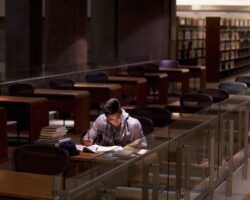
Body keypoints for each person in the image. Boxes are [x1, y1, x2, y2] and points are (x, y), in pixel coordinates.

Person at [82, 98, 147, 148]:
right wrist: (86, 141)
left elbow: (144, 144)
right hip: (104, 157)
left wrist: (138, 145)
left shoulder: (133, 124)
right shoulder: (101, 120)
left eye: (118, 118)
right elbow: (86, 138)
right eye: (111, 119)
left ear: (121, 112)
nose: (116, 121)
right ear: (106, 117)